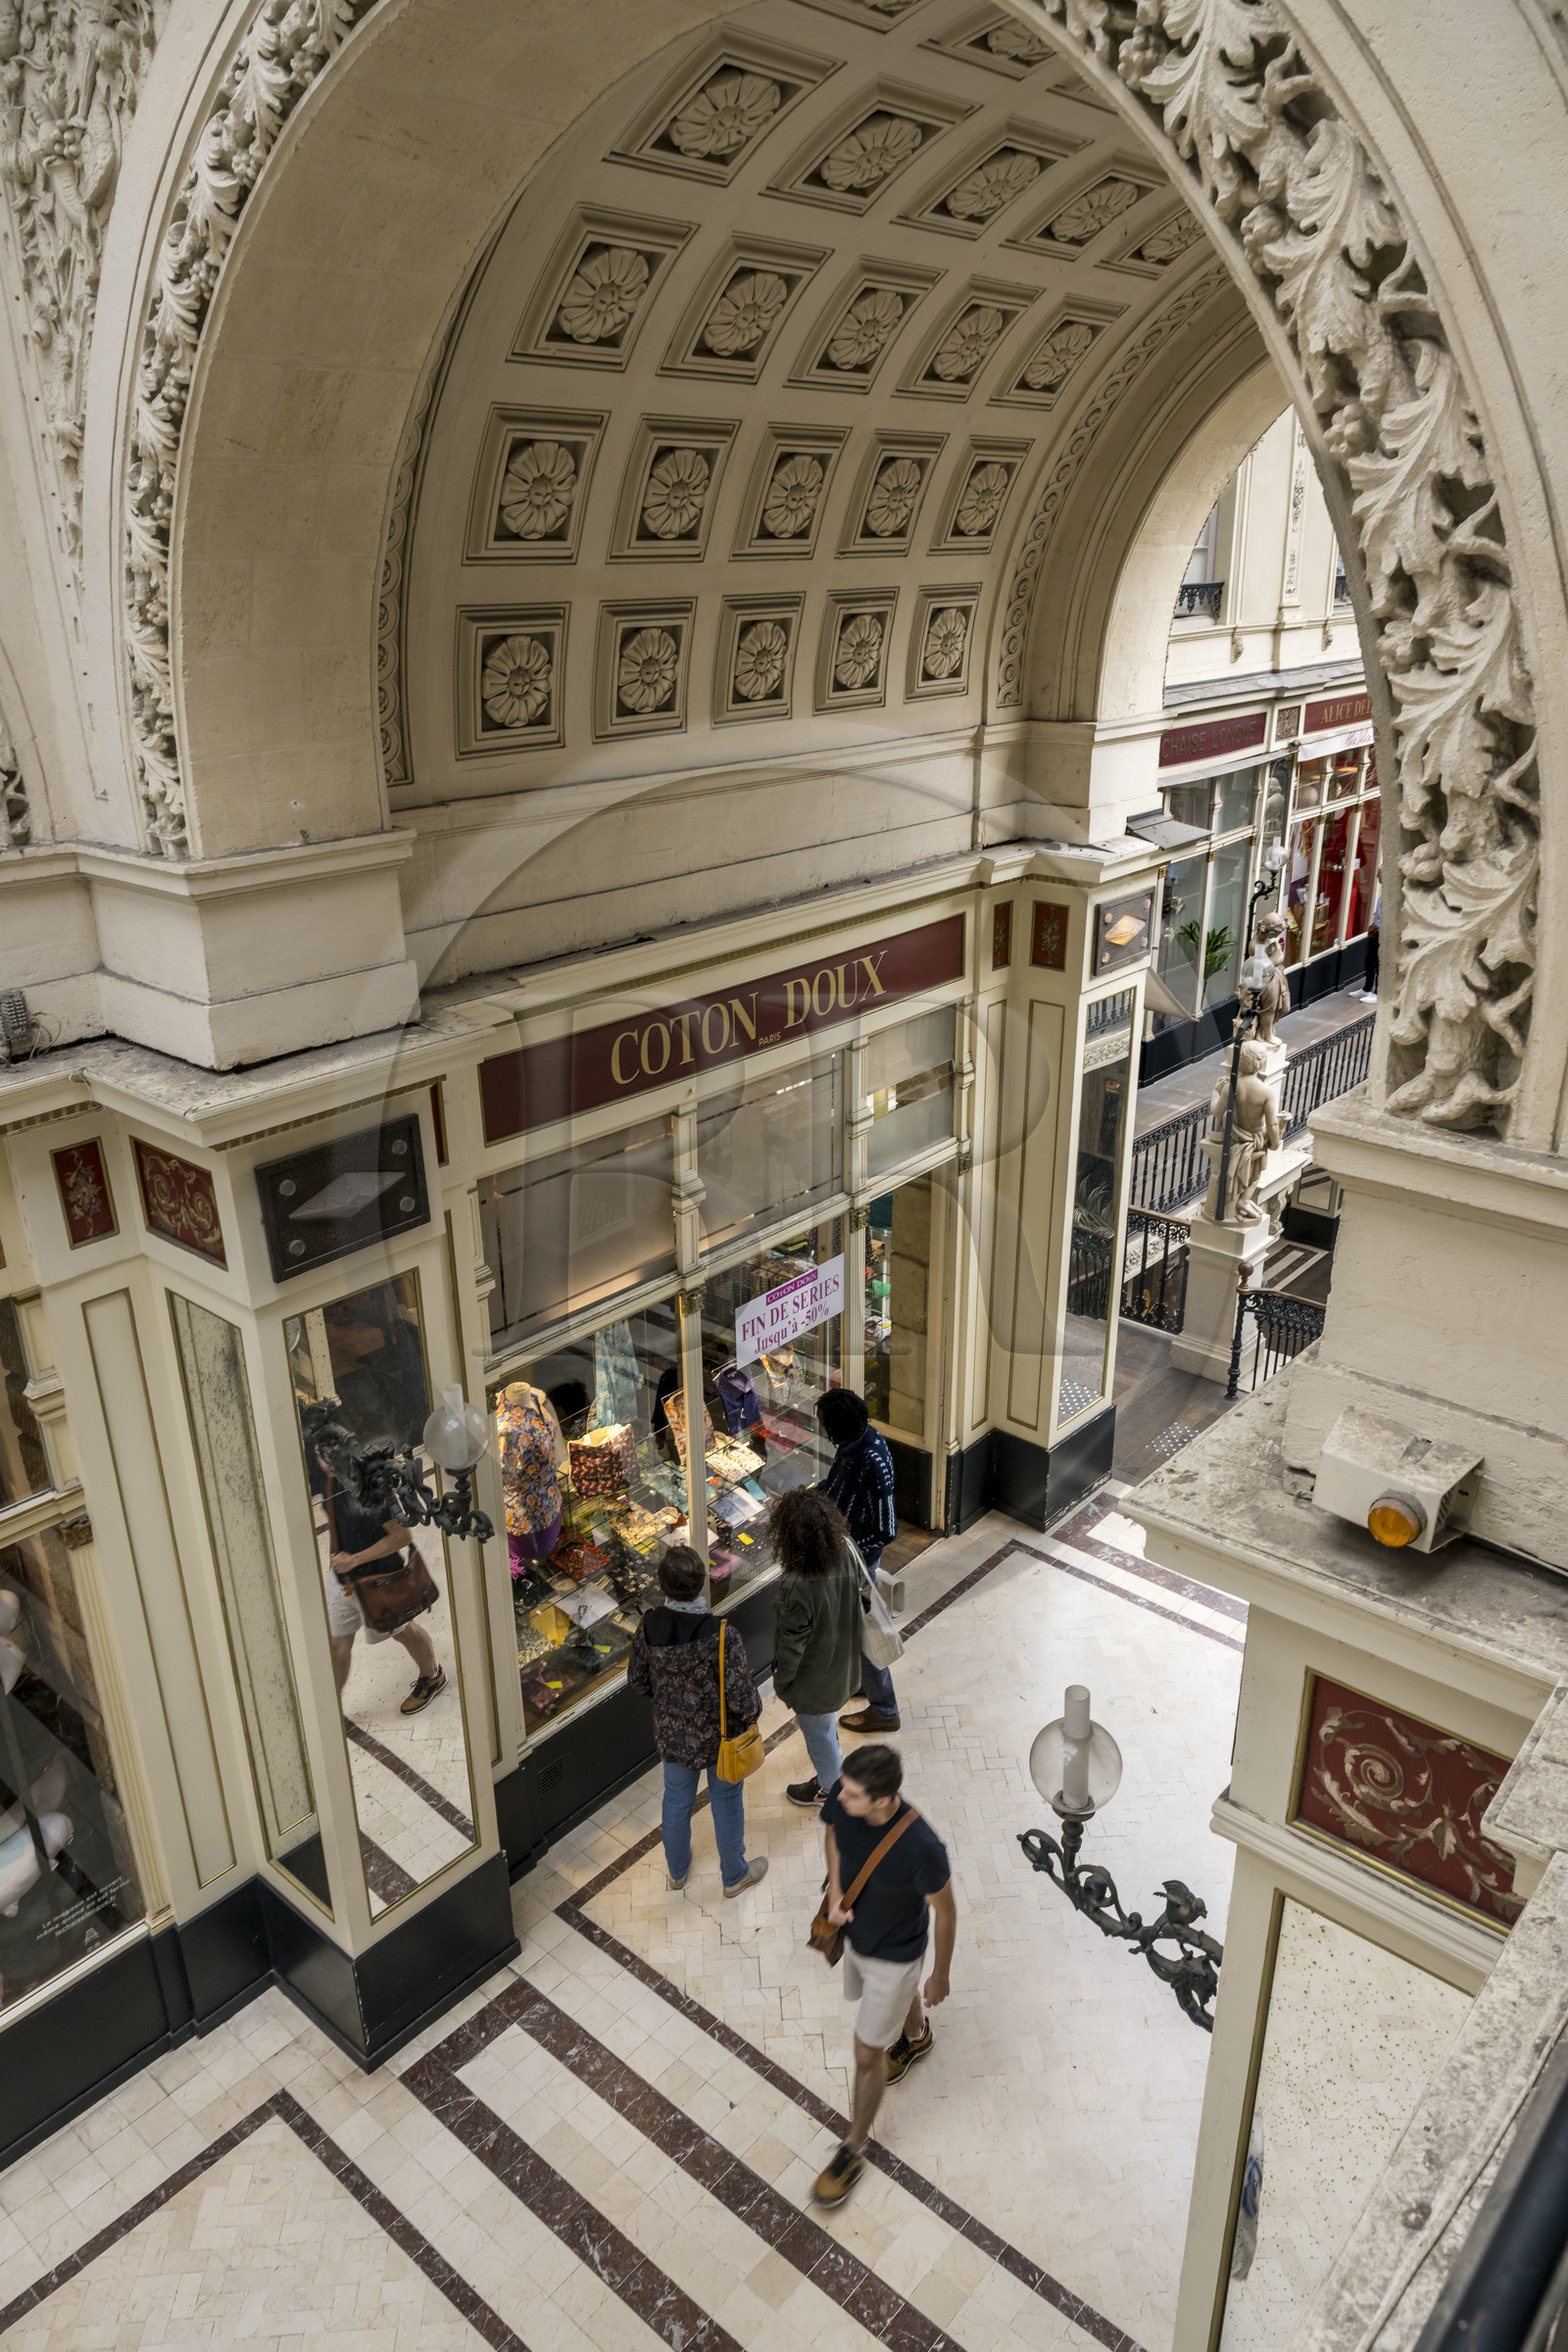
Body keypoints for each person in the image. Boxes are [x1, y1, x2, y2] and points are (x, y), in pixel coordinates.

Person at [812, 1743, 956, 2207]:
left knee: (864, 2052)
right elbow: (833, 1834)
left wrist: (940, 1974)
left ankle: (853, 2146)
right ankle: (915, 2036)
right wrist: (836, 1892)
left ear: (883, 1800)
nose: (840, 1799)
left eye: (853, 1796)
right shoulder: (846, 1795)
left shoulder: (923, 1849)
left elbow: (947, 1913)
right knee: (889, 2018)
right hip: (857, 1937)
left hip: (896, 1956)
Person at [626, 1545, 767, 1897]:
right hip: (720, 1737)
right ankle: (734, 1876)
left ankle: (677, 1872)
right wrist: (751, 1716)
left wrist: (667, 1705)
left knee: (675, 1802)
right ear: (701, 1582)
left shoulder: (649, 1625)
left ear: (663, 1586)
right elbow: (741, 1696)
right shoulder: (721, 1633)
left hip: (672, 1737)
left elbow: (637, 1681)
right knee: (726, 1801)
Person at [314, 1430, 446, 1715]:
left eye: (328, 1453)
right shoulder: (329, 1483)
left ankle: (432, 1676)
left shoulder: (371, 1490)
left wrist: (355, 1560)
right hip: (342, 1582)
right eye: (318, 1453)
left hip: (381, 1582)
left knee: (404, 1632)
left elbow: (402, 1537)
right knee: (337, 1647)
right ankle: (330, 1713)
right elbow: (338, 1525)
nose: (323, 1461)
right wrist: (335, 1564)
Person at [771, 1489, 861, 1813]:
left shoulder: (797, 1585)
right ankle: (832, 1775)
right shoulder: (846, 1551)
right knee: (826, 1726)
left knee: (819, 1736)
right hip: (845, 1665)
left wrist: (784, 1684)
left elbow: (791, 1649)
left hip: (814, 1681)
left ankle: (832, 1790)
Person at [816, 1388, 901, 1734]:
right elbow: (839, 1487)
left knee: (865, 1634)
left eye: (825, 1424)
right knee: (855, 1630)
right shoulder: (853, 1446)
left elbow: (886, 1528)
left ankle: (885, 1709)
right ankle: (867, 1685)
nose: (822, 1430)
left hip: (857, 1564)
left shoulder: (872, 1459)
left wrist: (849, 1550)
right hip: (848, 1555)